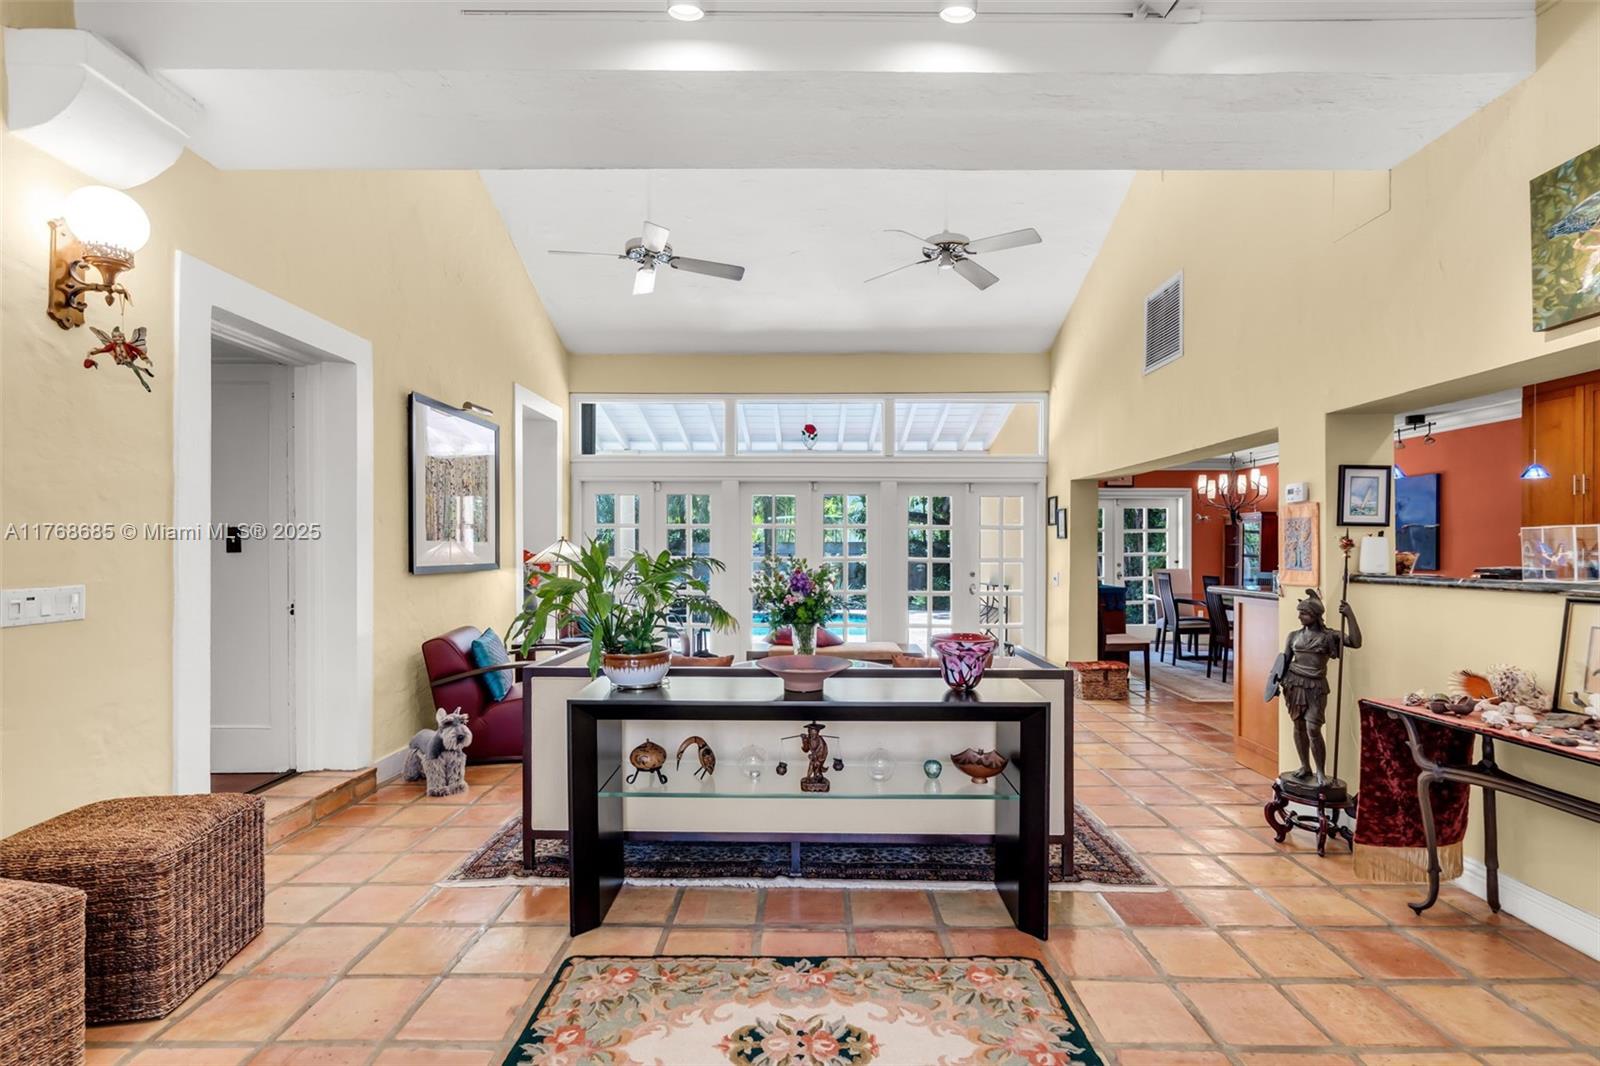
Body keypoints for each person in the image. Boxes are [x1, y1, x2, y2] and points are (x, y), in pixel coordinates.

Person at [1265, 589, 1362, 786]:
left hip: (1315, 686)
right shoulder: (1293, 636)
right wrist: (1275, 683)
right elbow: (1283, 661)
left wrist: (1349, 615)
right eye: (1299, 613)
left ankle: (1320, 771)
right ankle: (1304, 766)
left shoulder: (1329, 637)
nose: (1300, 617)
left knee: (1313, 728)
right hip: (1293, 684)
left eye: (1304, 613)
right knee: (1298, 726)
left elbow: (1355, 642)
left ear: (1315, 615)